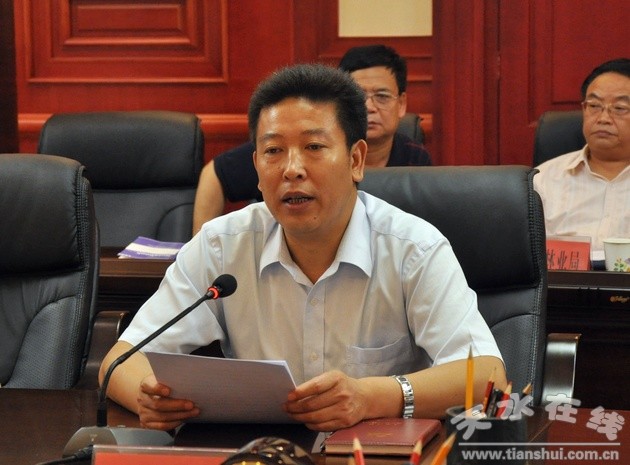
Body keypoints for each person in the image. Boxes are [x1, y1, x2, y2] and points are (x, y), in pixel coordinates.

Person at [100, 63, 506, 433]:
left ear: (356, 160)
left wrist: (372, 396)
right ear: (257, 167)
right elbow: (120, 361)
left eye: (313, 147)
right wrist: (147, 394)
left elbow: (488, 378)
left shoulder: (413, 249)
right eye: (274, 151)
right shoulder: (221, 246)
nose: (292, 169)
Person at [192, 45, 432, 234]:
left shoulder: (415, 157)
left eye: (381, 96)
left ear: (355, 160)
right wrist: (199, 242)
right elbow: (216, 174)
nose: (369, 106)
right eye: (359, 96)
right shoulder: (281, 149)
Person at [533, 58, 630, 258]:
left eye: (620, 108)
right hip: (560, 279)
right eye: (594, 105)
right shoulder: (541, 181)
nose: (603, 118)